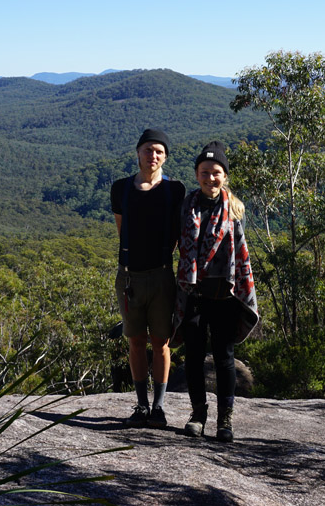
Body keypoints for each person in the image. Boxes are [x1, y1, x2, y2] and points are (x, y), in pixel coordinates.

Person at [172, 141, 259, 442]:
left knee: (224, 357)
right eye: (205, 172)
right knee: (194, 357)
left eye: (216, 172)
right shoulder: (186, 205)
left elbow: (240, 256)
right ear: (197, 174)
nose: (210, 178)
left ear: (225, 176)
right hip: (194, 294)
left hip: (224, 295)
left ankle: (226, 420)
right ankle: (198, 414)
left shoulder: (235, 209)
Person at [110, 128, 186, 428]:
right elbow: (121, 230)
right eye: (147, 150)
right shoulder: (121, 188)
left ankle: (159, 406)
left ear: (165, 157)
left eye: (158, 151)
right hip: (129, 276)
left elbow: (180, 235)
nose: (152, 156)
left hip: (163, 275)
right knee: (136, 341)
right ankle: (141, 405)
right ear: (138, 153)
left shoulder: (174, 190)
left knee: (161, 342)